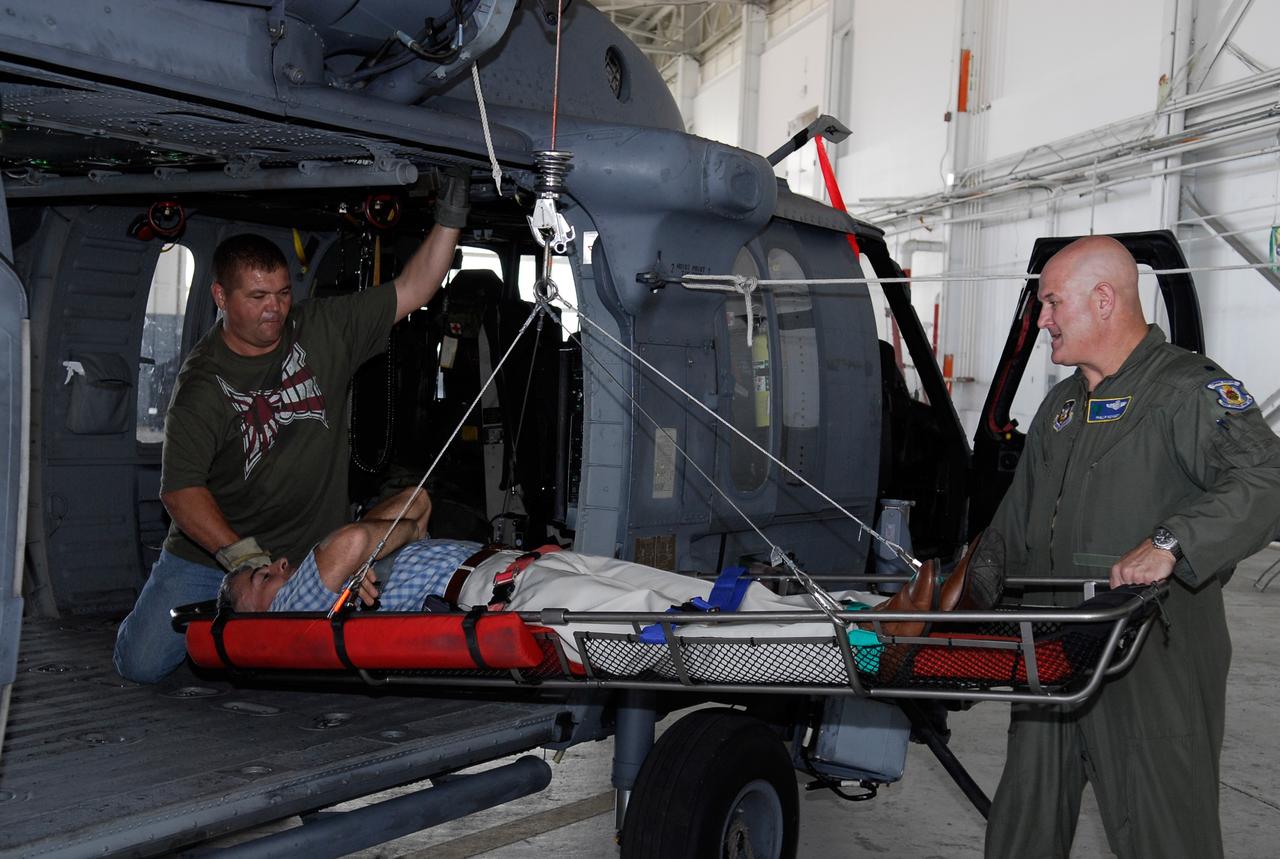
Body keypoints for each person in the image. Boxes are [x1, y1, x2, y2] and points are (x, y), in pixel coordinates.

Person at [982, 236, 1280, 859]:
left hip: (1151, 652)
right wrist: (954, 592)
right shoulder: (1062, 405)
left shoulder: (1186, 390)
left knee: (1163, 832)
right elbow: (1013, 526)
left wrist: (1172, 542)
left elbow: (1265, 479)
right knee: (1021, 828)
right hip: (1054, 648)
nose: (1042, 321)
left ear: (1103, 299)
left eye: (1052, 303)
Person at [114, 168, 472, 683]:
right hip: (216, 556)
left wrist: (452, 213)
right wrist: (241, 559)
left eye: (282, 294)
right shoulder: (202, 384)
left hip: (313, 548)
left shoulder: (322, 327)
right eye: (257, 297)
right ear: (220, 297)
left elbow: (415, 287)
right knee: (141, 665)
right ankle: (223, 620)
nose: (275, 310)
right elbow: (181, 492)